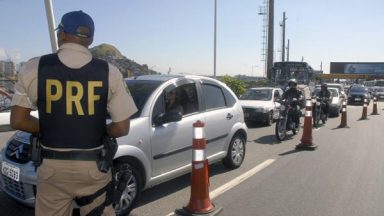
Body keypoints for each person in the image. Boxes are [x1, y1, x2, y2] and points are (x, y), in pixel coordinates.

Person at [10, 10, 137, 216]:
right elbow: (122, 127)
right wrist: (98, 130)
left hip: (52, 169)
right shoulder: (110, 71)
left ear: (61, 33)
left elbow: (18, 120)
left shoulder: (35, 67)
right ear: (91, 39)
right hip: (94, 167)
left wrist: (52, 126)